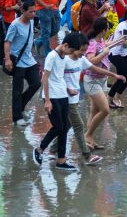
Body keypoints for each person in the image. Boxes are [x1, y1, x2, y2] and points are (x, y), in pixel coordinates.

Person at [34, 33, 103, 169]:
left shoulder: (63, 56)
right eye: (71, 51)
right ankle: (40, 149)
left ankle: (61, 161)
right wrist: (47, 100)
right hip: (52, 96)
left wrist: (68, 90)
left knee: (64, 127)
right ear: (65, 45)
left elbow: (59, 77)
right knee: (59, 127)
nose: (72, 54)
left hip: (63, 95)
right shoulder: (52, 56)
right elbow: (45, 78)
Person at [82, 18, 126, 150]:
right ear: (103, 29)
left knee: (94, 112)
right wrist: (104, 54)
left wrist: (119, 41)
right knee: (105, 110)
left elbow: (106, 46)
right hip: (92, 81)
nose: (109, 29)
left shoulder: (100, 40)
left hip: (100, 80)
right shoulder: (92, 43)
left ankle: (90, 140)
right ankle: (87, 135)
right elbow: (91, 61)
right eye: (108, 27)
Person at [4, 1, 41, 125]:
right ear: (23, 11)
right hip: (18, 61)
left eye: (34, 11)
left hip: (29, 60)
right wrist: (7, 59)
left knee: (36, 83)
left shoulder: (31, 22)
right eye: (30, 11)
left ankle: (20, 107)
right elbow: (7, 42)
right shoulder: (15, 25)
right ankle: (17, 117)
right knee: (17, 90)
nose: (33, 14)